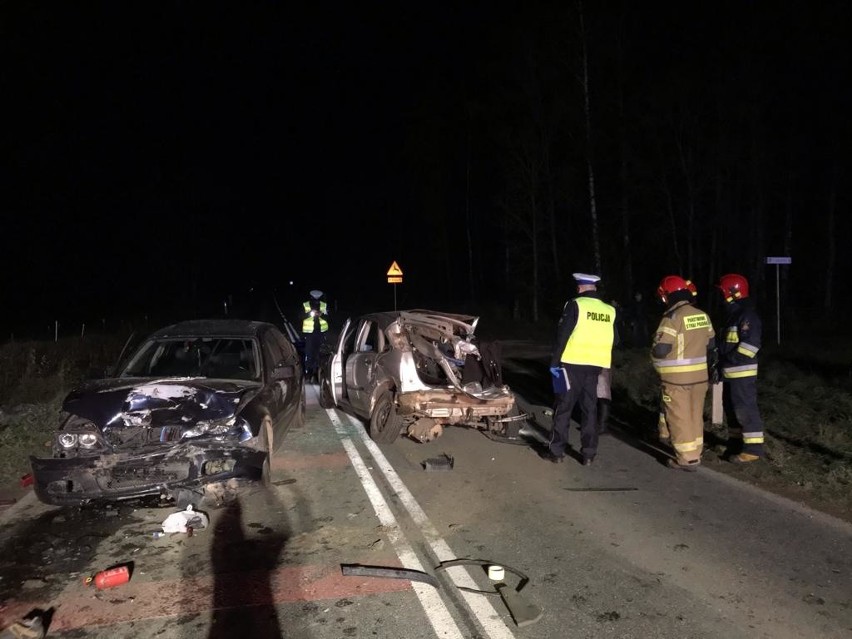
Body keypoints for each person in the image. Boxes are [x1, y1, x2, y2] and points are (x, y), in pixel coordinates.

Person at [545, 273, 617, 466]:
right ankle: (589, 454)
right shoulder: (609, 310)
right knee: (590, 409)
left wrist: (553, 362)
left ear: (580, 288)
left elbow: (562, 335)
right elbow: (616, 339)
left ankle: (556, 451)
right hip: (595, 366)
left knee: (563, 407)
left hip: (569, 364)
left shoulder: (575, 305)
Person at [651, 276, 717, 471]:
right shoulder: (703, 315)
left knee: (679, 418)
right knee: (695, 415)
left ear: (667, 295)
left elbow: (661, 350)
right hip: (700, 378)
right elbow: (711, 344)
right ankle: (695, 450)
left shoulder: (671, 318)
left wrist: (653, 349)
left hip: (676, 379)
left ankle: (687, 459)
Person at [716, 273, 765, 462]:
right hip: (729, 372)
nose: (721, 295)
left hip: (741, 372)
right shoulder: (733, 315)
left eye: (723, 291)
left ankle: (753, 450)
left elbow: (750, 346)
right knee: (731, 410)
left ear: (732, 293)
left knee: (745, 409)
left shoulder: (747, 316)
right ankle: (735, 444)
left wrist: (729, 359)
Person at [301, 289, 329, 383]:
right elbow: (301, 316)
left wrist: (322, 314)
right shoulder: (305, 304)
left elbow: (328, 317)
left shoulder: (324, 305)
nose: (316, 300)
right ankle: (308, 373)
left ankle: (316, 373)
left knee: (318, 353)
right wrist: (311, 313)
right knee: (309, 353)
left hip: (320, 333)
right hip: (309, 333)